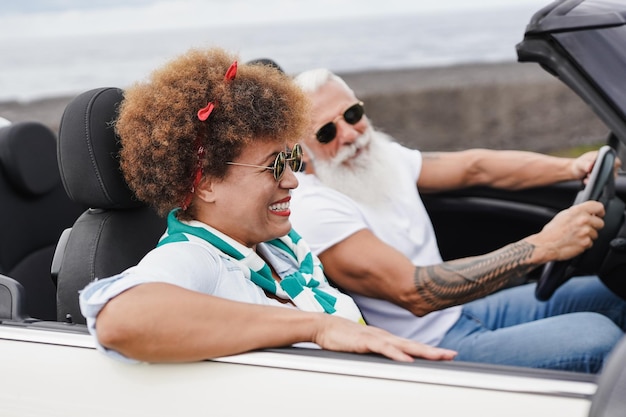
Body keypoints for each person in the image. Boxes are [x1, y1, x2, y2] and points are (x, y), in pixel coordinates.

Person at [78, 48, 457, 364]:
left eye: (291, 159)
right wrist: (317, 327)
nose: (291, 179)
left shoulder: (276, 244)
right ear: (206, 183)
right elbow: (122, 318)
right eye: (274, 165)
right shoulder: (198, 258)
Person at [289, 68, 626, 373]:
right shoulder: (316, 207)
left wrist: (569, 168)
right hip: (429, 350)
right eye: (327, 132)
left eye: (353, 114)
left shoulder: (379, 157)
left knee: (613, 294)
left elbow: (474, 167)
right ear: (301, 150)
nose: (349, 134)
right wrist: (541, 247)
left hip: (461, 311)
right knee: (599, 337)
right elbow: (415, 292)